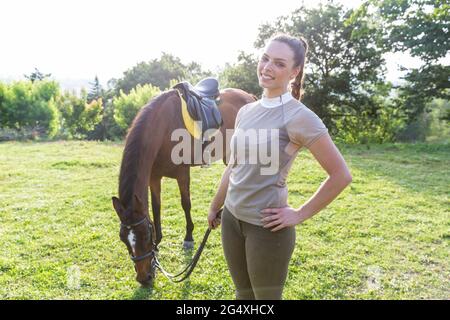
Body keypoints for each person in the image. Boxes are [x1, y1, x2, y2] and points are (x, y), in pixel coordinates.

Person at [207, 33, 353, 300]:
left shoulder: (300, 117)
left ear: (295, 72)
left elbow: (341, 175)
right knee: (243, 296)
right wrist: (216, 204)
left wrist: (299, 213)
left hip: (266, 229)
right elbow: (234, 165)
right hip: (231, 220)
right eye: (265, 59)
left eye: (279, 63)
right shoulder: (246, 112)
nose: (267, 67)